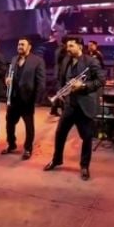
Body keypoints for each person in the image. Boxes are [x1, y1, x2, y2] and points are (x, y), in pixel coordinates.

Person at [43, 37, 105, 181]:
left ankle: (84, 166)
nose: (68, 49)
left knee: (87, 137)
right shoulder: (66, 60)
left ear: (80, 47)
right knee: (60, 134)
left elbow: (101, 81)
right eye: (67, 46)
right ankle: (57, 160)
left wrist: (82, 85)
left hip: (85, 105)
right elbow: (61, 79)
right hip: (70, 105)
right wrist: (61, 92)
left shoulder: (91, 61)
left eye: (71, 46)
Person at [1, 36, 45, 160]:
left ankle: (28, 148)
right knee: (9, 123)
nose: (20, 47)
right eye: (19, 44)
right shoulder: (14, 59)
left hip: (27, 99)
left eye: (22, 44)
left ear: (29, 47)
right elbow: (9, 73)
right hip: (13, 98)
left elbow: (41, 82)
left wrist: (37, 99)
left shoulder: (37, 61)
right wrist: (7, 79)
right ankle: (11, 144)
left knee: (29, 126)